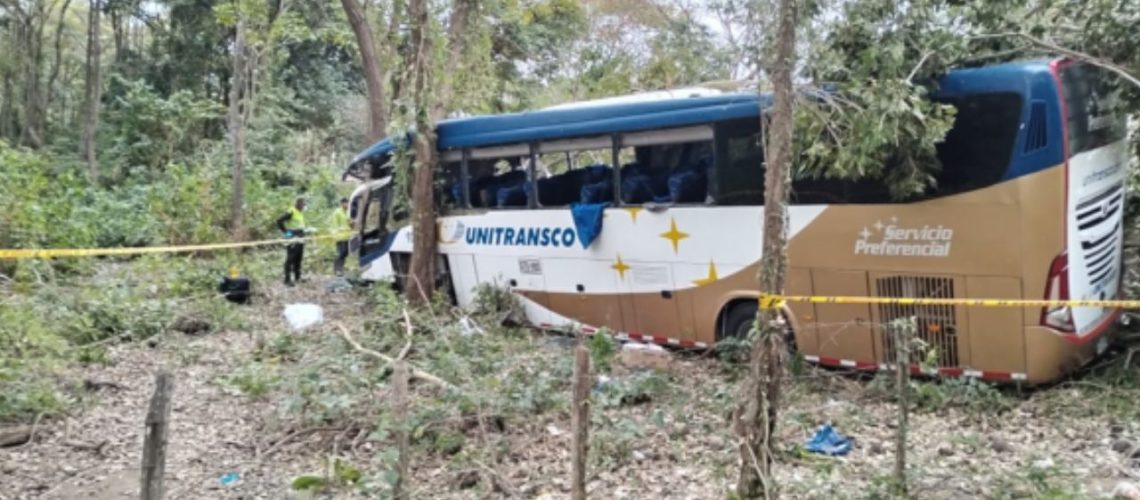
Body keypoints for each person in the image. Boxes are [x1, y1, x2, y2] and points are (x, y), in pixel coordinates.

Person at [276, 197, 307, 286]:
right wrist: (286, 232)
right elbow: (279, 221)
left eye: (304, 204)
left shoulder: (300, 212)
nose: (303, 206)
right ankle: (287, 279)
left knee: (298, 257)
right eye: (302, 204)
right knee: (291, 258)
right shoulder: (291, 211)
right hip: (293, 236)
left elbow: (299, 224)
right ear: (298, 204)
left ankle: (298, 277)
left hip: (301, 236)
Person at [331, 197, 353, 276]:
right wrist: (337, 233)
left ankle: (341, 268)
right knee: (341, 253)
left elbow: (350, 223)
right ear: (342, 203)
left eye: (348, 203)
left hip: (347, 237)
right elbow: (334, 225)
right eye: (346, 203)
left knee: (345, 253)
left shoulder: (348, 212)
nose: (347, 205)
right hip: (340, 237)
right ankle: (337, 269)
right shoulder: (337, 212)